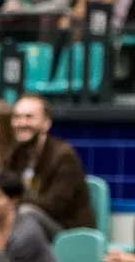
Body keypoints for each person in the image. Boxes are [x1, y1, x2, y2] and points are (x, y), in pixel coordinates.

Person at [9, 94, 95, 234]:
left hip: (68, 231)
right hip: (30, 225)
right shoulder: (17, 155)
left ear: (46, 123)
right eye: (17, 117)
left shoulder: (64, 156)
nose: (22, 123)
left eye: (29, 117)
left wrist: (15, 202)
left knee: (26, 213)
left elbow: (54, 205)